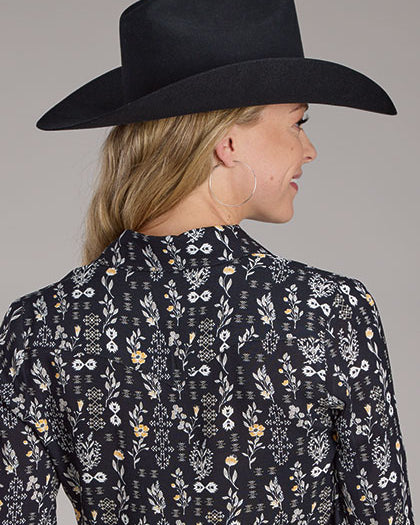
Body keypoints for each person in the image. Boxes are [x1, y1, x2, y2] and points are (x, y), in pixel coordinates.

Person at [0, 0, 415, 524]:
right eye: (298, 122)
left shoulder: (40, 325)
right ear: (228, 141)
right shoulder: (329, 312)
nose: (308, 149)